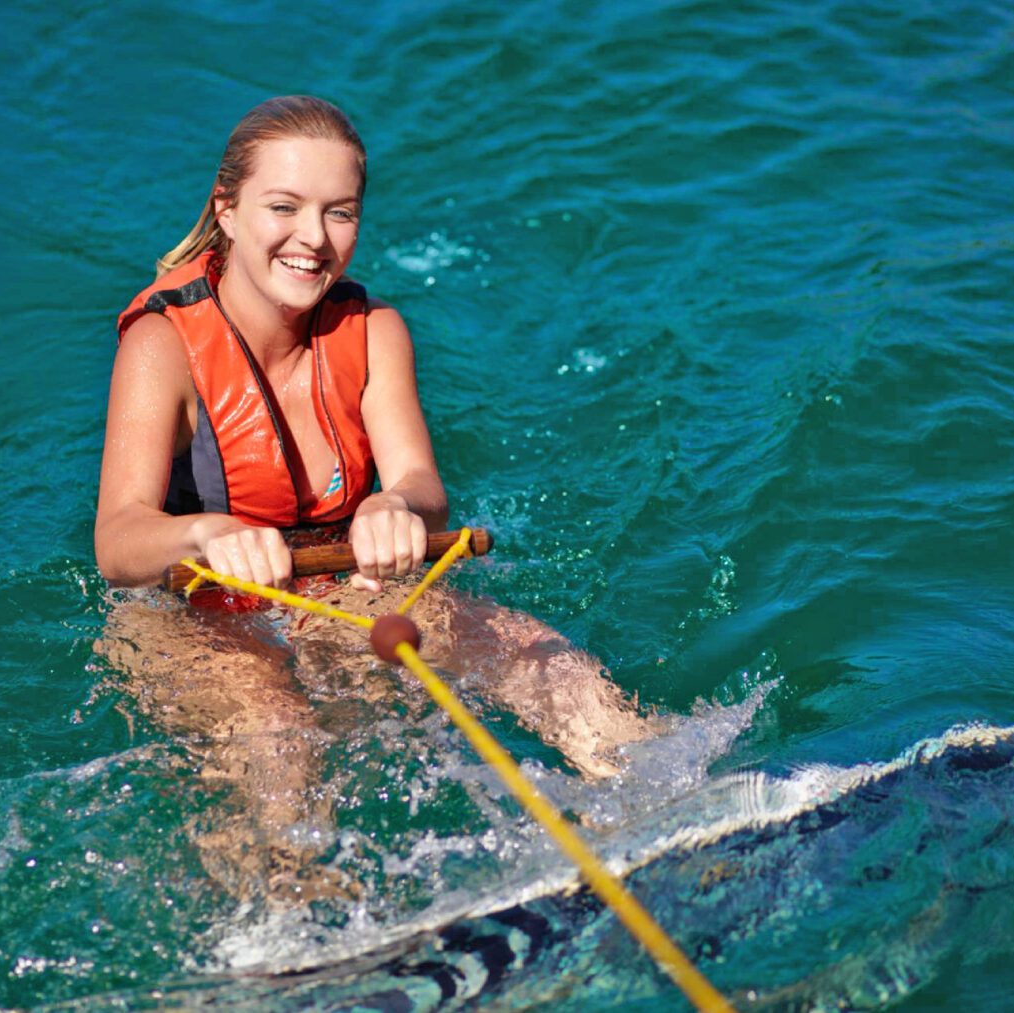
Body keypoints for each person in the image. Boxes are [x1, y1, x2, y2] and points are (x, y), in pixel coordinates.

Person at [93, 96, 656, 904]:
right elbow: (117, 540)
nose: (312, 238)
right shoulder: (162, 345)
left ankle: (695, 814)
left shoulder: (375, 329)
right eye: (283, 207)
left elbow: (423, 487)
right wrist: (209, 534)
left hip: (344, 589)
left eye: (339, 213)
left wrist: (396, 506)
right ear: (227, 209)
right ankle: (279, 936)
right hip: (196, 617)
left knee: (549, 665)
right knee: (279, 739)